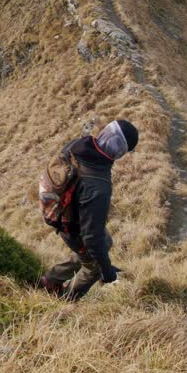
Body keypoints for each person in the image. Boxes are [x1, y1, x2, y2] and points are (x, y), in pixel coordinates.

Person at [40, 119, 139, 300]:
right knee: (93, 267)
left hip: (61, 210)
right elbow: (91, 238)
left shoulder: (78, 145)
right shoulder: (98, 186)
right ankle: (64, 300)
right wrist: (107, 272)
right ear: (120, 151)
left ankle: (51, 279)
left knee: (104, 241)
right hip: (73, 226)